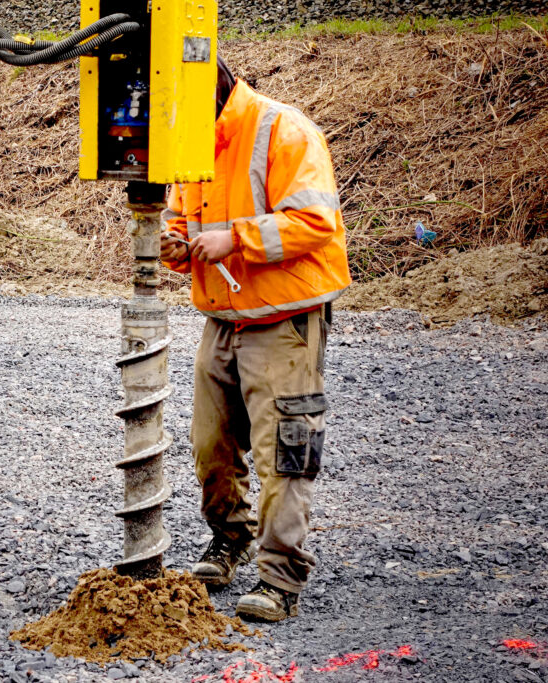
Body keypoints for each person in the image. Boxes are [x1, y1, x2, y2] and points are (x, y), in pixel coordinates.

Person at [159, 56, 351, 622]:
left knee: (283, 452)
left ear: (210, 92)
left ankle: (280, 578)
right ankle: (232, 537)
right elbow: (180, 218)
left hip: (283, 319)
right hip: (223, 317)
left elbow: (316, 222)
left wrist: (236, 239)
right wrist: (174, 245)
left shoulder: (283, 130)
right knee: (211, 446)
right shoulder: (189, 141)